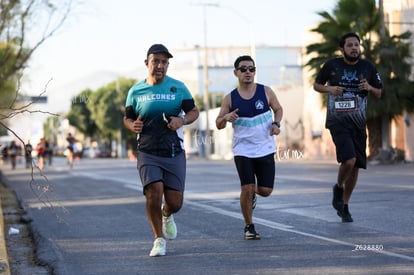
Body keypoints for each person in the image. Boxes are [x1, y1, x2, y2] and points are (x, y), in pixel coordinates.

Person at [123, 44, 199, 256]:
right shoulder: (136, 91)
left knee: (175, 202)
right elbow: (127, 118)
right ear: (147, 63)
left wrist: (181, 120)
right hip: (147, 151)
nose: (160, 65)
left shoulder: (178, 87)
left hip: (173, 151)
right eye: (156, 61)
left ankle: (167, 213)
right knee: (153, 192)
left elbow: (194, 111)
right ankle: (158, 239)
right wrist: (132, 126)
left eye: (164, 62)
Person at [313, 32, 382, 222]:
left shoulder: (367, 67)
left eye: (356, 45)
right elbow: (317, 85)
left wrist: (369, 87)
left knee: (356, 166)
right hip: (338, 121)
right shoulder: (332, 65)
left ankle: (344, 205)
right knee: (349, 160)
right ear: (342, 49)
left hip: (358, 123)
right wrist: (330, 89)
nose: (354, 48)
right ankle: (338, 187)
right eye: (350, 45)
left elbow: (379, 93)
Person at [215, 55, 283, 240]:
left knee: (266, 191)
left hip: (265, 148)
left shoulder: (266, 91)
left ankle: (253, 194)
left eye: (251, 69)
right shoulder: (230, 98)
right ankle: (249, 226)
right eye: (243, 69)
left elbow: (278, 109)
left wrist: (276, 124)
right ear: (236, 72)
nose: (248, 72)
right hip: (242, 150)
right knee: (247, 187)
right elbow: (218, 123)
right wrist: (226, 118)